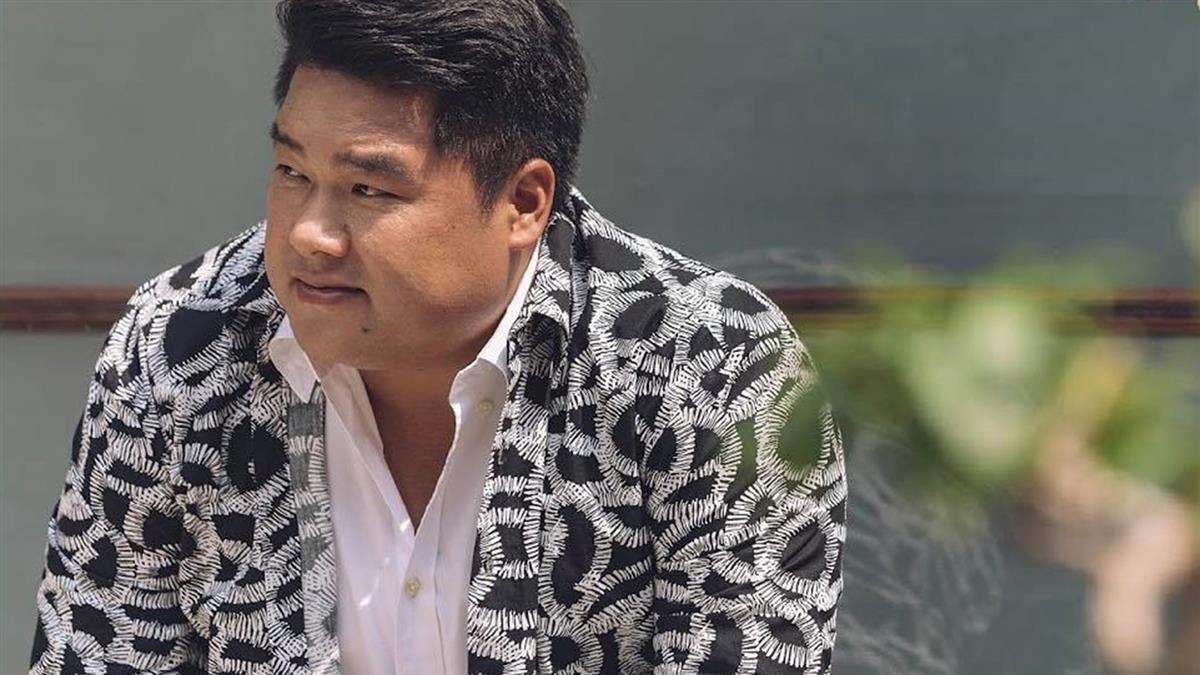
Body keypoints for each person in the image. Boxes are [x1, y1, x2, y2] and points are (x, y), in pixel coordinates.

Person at [29, 1, 847, 673]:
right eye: (293, 172)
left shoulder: (710, 368)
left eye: (366, 188)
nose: (309, 232)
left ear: (523, 203)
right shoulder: (178, 347)